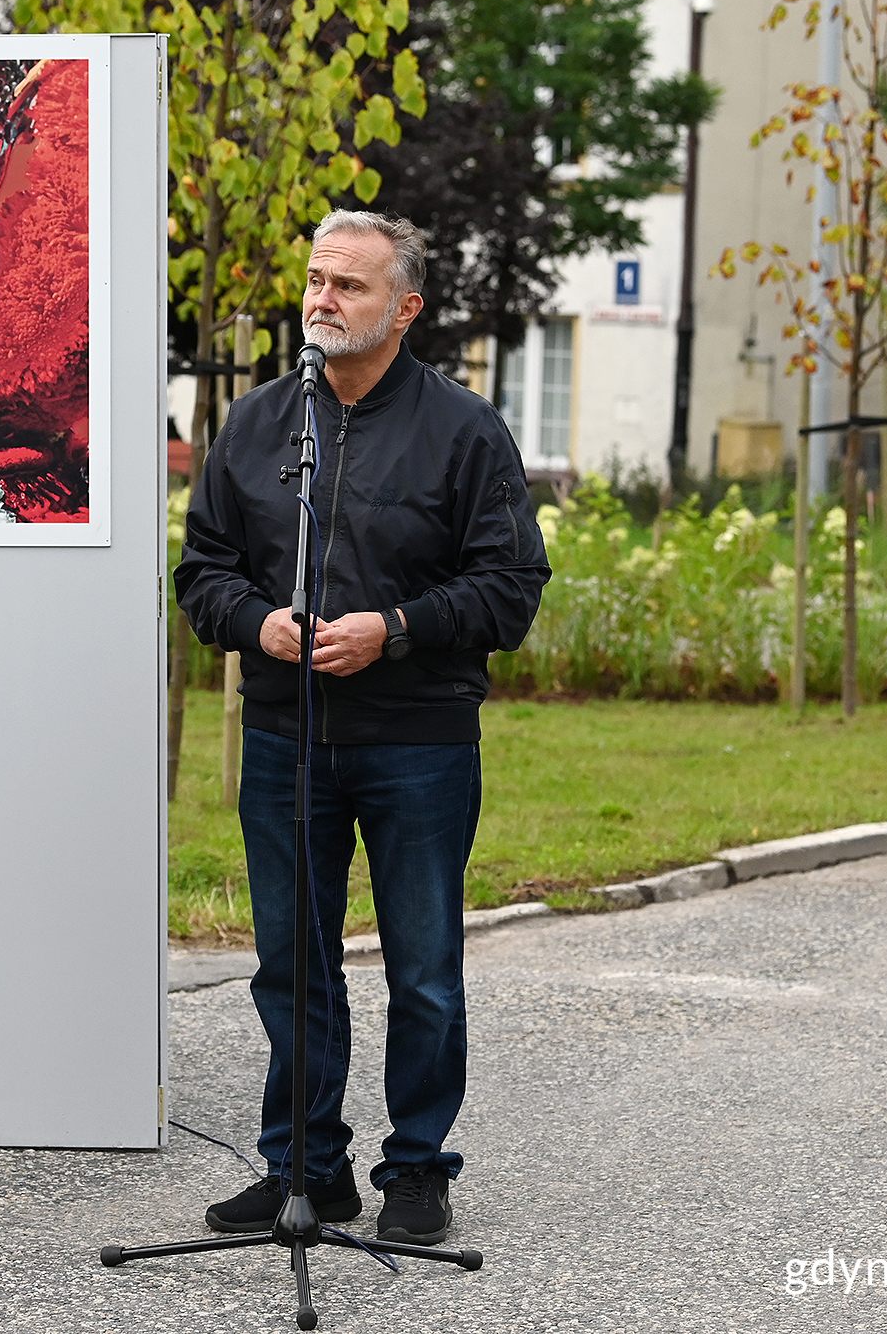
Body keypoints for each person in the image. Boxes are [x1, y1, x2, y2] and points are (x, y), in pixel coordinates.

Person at [175, 210, 549, 1245]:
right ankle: (305, 1169)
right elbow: (200, 572)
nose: (321, 300)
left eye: (347, 285)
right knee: (290, 963)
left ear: (405, 307)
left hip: (417, 741)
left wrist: (392, 630)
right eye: (314, 279)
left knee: (421, 967)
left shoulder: (463, 430)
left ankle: (417, 1171)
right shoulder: (255, 425)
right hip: (285, 736)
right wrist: (259, 623)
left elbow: (509, 588)